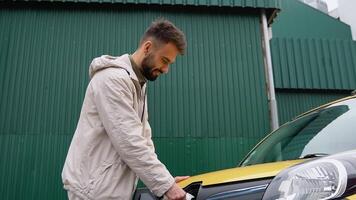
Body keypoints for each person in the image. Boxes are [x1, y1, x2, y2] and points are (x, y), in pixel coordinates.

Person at [62, 18, 188, 200]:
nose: (166, 69)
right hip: (93, 192)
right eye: (164, 60)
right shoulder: (112, 80)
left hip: (109, 190)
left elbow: (143, 140)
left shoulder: (138, 84)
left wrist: (164, 181)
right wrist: (165, 186)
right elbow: (129, 141)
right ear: (147, 48)